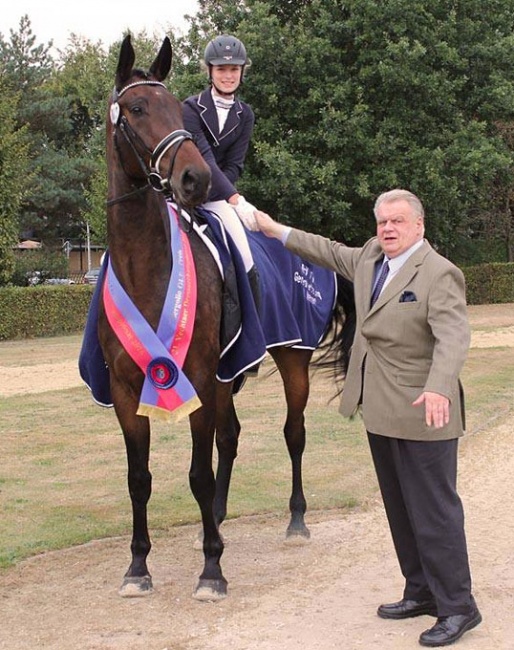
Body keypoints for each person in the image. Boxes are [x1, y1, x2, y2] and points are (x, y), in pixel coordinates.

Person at [253, 189, 482, 648]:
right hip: (379, 410)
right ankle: (419, 591)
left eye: (398, 221)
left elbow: (454, 336)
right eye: (382, 222)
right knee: (400, 510)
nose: (388, 229)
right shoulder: (371, 259)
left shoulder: (439, 273)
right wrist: (271, 228)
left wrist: (439, 385)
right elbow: (325, 250)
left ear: (419, 225)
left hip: (424, 412)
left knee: (435, 513)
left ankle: (458, 607)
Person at [182, 34, 260, 299]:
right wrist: (235, 198)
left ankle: (254, 333)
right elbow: (205, 158)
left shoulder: (245, 114)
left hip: (216, 198)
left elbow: (234, 165)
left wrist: (220, 195)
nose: (228, 76)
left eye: (234, 69)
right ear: (210, 71)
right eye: (222, 69)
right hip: (184, 193)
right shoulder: (191, 109)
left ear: (242, 72)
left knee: (247, 259)